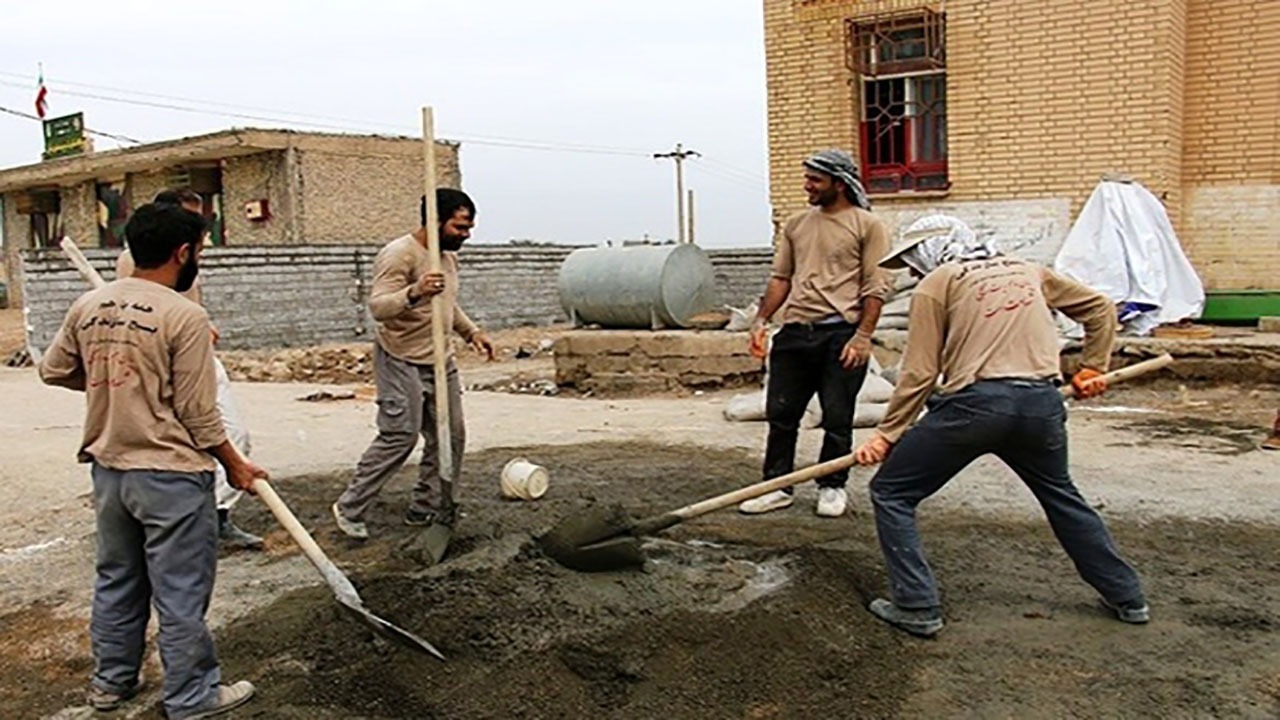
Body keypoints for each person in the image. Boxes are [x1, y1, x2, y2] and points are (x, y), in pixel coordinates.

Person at [851, 219, 1148, 637]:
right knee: (1061, 495)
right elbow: (1099, 307)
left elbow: (919, 371)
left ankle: (916, 604)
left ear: (932, 250)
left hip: (973, 409)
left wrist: (888, 433)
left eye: (915, 263)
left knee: (892, 492)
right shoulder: (1028, 270)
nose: (915, 273)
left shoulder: (937, 283)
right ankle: (1128, 596)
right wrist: (1092, 368)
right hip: (1039, 407)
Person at [39, 202, 262, 718]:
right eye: (200, 251)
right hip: (170, 475)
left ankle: (111, 684)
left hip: (110, 473)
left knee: (117, 580)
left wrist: (111, 387)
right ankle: (192, 697)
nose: (198, 260)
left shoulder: (89, 305)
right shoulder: (184, 315)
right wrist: (235, 464)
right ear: (183, 252)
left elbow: (54, 371)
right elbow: (197, 413)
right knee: (180, 594)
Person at [332, 189, 494, 539]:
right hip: (400, 357)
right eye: (460, 226)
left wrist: (472, 332)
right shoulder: (399, 255)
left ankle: (428, 508)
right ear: (435, 221)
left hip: (440, 358)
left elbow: (447, 306)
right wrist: (415, 291)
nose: (466, 234)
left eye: (469, 227)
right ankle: (350, 507)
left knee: (450, 436)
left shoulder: (447, 259)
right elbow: (379, 308)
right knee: (400, 436)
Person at [739, 149, 890, 518]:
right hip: (794, 334)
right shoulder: (796, 225)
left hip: (841, 335)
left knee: (838, 416)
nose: (807, 185)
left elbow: (876, 285)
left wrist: (863, 336)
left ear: (839, 183)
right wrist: (761, 320)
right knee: (781, 415)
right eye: (807, 178)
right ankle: (776, 487)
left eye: (815, 180)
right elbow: (781, 279)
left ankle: (832, 486)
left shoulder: (867, 225)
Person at [115, 189, 262, 550]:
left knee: (233, 434)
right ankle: (196, 521)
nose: (202, 231)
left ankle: (216, 514)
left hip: (195, 349)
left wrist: (202, 324)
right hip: (168, 359)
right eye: (192, 219)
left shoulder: (186, 257)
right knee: (203, 434)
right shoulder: (137, 262)